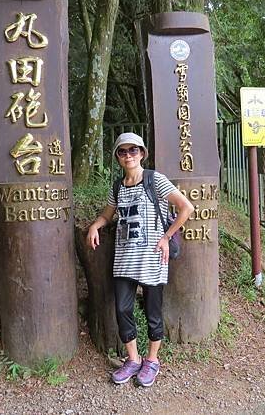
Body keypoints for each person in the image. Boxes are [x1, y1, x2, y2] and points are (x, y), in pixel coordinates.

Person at [86, 132, 193, 387]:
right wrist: (95, 226)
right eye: (122, 152)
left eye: (133, 150)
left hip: (152, 259)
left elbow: (186, 207)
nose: (128, 155)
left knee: (153, 312)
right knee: (123, 308)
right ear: (117, 157)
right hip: (124, 259)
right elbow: (108, 214)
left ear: (142, 153)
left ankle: (152, 360)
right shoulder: (118, 186)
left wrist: (167, 236)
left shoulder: (155, 180)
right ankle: (133, 360)